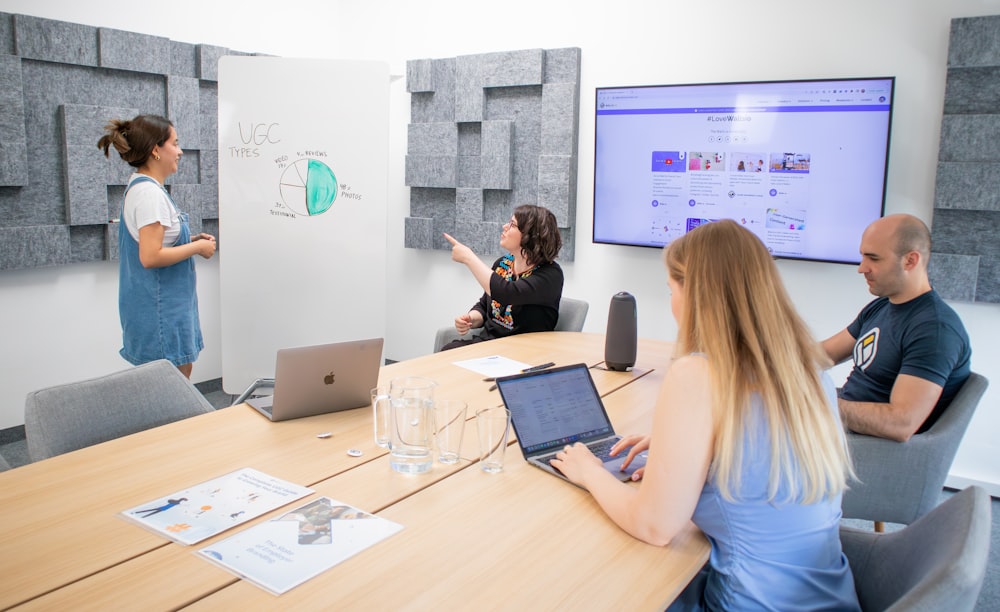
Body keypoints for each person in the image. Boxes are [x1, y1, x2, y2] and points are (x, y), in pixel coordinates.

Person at [552, 220, 859, 610]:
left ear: (695, 293)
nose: (672, 301)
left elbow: (655, 526)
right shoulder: (809, 372)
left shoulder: (697, 375)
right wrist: (685, 452)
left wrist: (589, 470)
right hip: (831, 598)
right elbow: (757, 459)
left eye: (671, 289)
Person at [821, 214, 971, 442]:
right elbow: (824, 355)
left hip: (867, 449)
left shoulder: (935, 330)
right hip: (840, 428)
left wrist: (818, 405)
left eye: (874, 258)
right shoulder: (881, 306)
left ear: (910, 261)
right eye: (862, 256)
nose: (862, 268)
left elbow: (900, 423)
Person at [97, 115, 216, 378]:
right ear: (155, 150)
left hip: (160, 306)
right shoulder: (149, 195)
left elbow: (156, 241)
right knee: (172, 386)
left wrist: (190, 240)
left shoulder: (143, 188)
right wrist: (197, 250)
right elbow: (151, 256)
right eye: (175, 143)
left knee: (174, 379)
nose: (180, 151)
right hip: (161, 310)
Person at [441, 204, 563, 351]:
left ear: (529, 235)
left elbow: (508, 293)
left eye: (512, 225)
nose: (505, 226)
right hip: (490, 345)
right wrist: (471, 318)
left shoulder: (550, 275)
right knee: (448, 351)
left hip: (524, 352)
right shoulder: (503, 264)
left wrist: (469, 258)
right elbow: (485, 304)